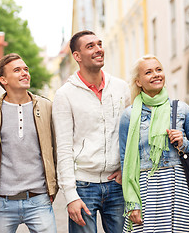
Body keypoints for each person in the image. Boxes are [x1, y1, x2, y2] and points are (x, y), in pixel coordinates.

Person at [119, 55, 189, 232]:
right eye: (148, 72)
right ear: (138, 81)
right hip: (145, 189)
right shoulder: (129, 116)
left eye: (159, 70)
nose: (156, 75)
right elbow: (126, 161)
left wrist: (184, 144)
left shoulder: (181, 109)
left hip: (177, 187)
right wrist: (132, 203)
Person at [52, 30, 130, 233]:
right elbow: (64, 147)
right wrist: (71, 196)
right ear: (77, 56)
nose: (99, 49)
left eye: (99, 44)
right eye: (90, 46)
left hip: (117, 185)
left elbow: (130, 134)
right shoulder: (65, 95)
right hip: (83, 186)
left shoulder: (121, 88)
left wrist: (125, 168)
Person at [0, 53, 58, 233]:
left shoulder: (47, 107)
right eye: (17, 70)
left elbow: (56, 150)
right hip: (2, 202)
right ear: (3, 79)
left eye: (25, 69)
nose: (24, 73)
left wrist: (54, 186)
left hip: (39, 199)